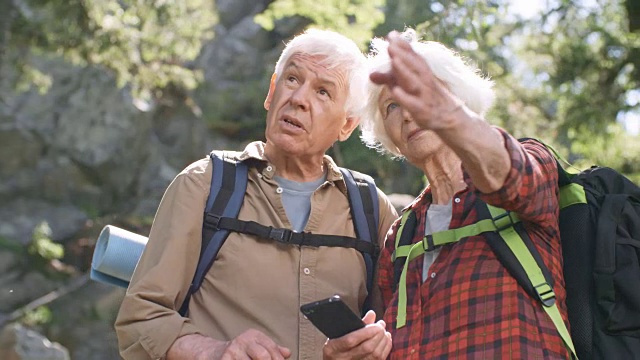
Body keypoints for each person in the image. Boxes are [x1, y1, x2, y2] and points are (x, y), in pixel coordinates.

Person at [114, 29, 397, 360]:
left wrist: (375, 346)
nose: (299, 99)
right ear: (271, 93)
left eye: (323, 92)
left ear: (347, 125)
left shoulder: (369, 208)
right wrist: (216, 351)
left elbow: (398, 329)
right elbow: (140, 320)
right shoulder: (205, 185)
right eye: (292, 80)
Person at [354, 29, 572, 359]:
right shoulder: (401, 236)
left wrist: (449, 117)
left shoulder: (532, 161)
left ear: (460, 101)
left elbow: (509, 173)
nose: (409, 112)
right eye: (392, 106)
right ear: (391, 138)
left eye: (420, 93)